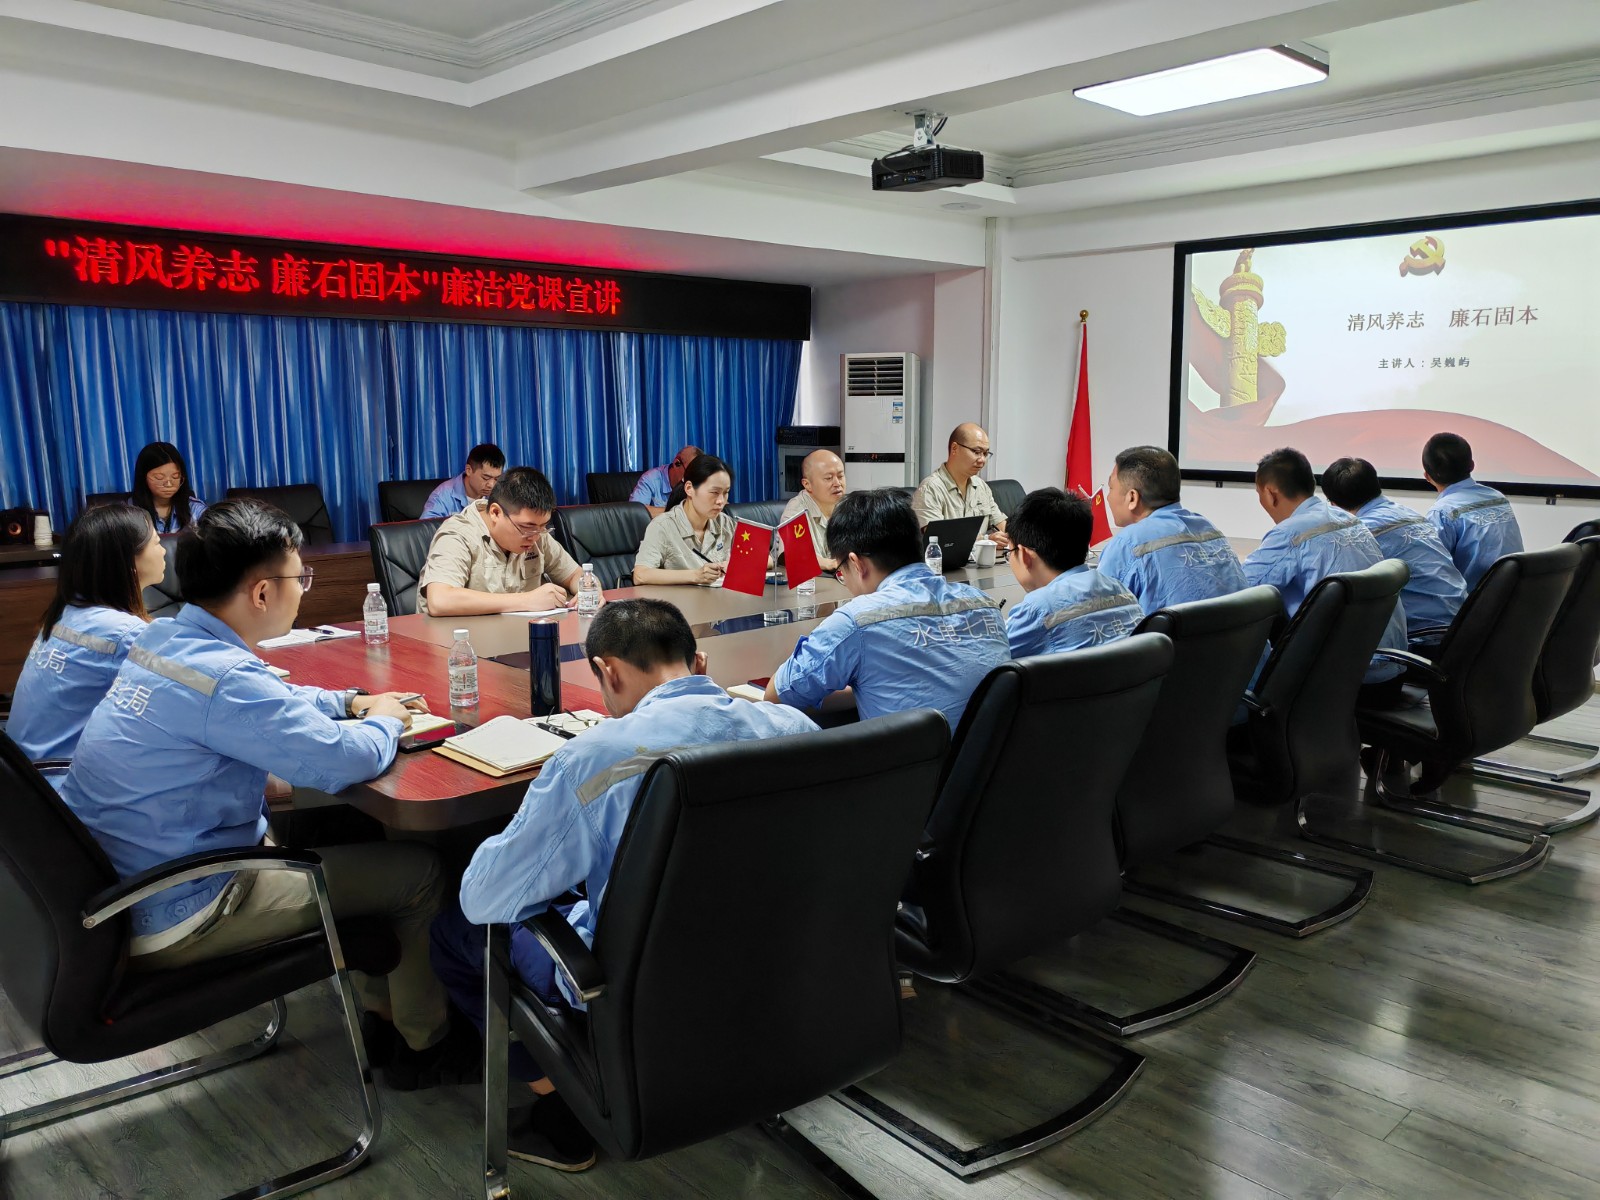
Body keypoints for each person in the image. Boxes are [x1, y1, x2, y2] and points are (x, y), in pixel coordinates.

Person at [56, 499, 477, 1090]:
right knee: (420, 876)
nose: (303, 588)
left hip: (122, 887)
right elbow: (342, 760)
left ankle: (381, 1018)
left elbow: (264, 700)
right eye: (300, 577)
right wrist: (385, 718)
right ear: (261, 593)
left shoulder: (167, 640)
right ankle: (426, 1046)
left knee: (346, 832)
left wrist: (347, 701)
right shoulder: (226, 678)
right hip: (186, 903)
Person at [432, 599, 818, 1171]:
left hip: (637, 986)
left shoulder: (594, 758)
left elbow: (484, 897)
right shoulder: (796, 728)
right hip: (777, 964)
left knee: (456, 930)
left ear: (606, 671)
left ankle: (563, 1102)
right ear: (699, 662)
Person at [765, 488, 1009, 729]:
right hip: (987, 754)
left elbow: (777, 695)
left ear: (856, 564)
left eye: (841, 571)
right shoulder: (986, 606)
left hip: (911, 755)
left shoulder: (857, 621)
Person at [1244, 449, 1409, 699]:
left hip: (1346, 682)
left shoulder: (1291, 533)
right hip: (1390, 671)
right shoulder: (1349, 519)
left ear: (1270, 493)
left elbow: (1239, 590)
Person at [8, 505, 167, 761]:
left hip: (24, 767)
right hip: (59, 775)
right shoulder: (124, 633)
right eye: (157, 543)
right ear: (130, 562)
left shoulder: (68, 611)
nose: (164, 551)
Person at [1322, 456, 1468, 646]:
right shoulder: (1411, 514)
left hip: (1426, 636)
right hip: (1462, 622)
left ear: (1333, 505)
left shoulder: (1361, 534)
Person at [1096, 445, 1249, 615]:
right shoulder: (1208, 528)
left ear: (1132, 497)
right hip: (1238, 632)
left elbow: (1099, 616)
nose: (1108, 497)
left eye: (1111, 488)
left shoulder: (1128, 543)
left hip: (1178, 633)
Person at [417, 467, 583, 617]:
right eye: (527, 528)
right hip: (456, 639)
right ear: (495, 513)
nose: (535, 537)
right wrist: (527, 600)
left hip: (514, 634)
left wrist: (587, 590)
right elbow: (440, 600)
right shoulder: (458, 534)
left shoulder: (537, 532)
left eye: (543, 526)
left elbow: (575, 575)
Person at [1006, 488, 1143, 657]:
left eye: (1009, 552)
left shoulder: (1037, 610)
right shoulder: (1119, 588)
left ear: (1025, 555)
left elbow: (992, 657)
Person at [1422, 432, 1525, 589]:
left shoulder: (1442, 512)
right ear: (1472, 465)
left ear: (1427, 476)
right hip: (1514, 595)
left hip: (1475, 600)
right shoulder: (1498, 498)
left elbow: (1432, 571)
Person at [633, 454, 738, 586]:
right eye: (714, 493)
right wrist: (696, 575)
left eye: (726, 492)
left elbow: (760, 562)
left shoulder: (726, 523)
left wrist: (736, 566)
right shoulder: (662, 526)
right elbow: (640, 575)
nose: (721, 501)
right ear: (689, 489)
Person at [910, 423, 1011, 549]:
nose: (982, 460)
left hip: (982, 560)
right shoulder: (930, 489)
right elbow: (939, 539)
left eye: (985, 454)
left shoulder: (980, 486)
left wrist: (1008, 536)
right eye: (977, 452)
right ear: (954, 448)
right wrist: (986, 541)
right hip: (946, 561)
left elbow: (1001, 525)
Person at [778, 449, 846, 569]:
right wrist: (831, 564)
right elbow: (793, 555)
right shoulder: (796, 510)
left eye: (840, 476)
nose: (837, 483)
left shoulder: (848, 506)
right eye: (828, 478)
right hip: (812, 578)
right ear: (807, 484)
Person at [129, 441, 206, 533]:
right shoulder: (129, 512)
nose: (169, 484)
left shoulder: (195, 509)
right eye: (159, 477)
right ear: (143, 477)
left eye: (175, 476)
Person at [421, 443, 506, 520]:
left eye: (496, 479)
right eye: (486, 478)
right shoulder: (442, 497)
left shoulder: (499, 494)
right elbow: (426, 529)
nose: (491, 485)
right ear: (468, 470)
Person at [630, 445, 700, 518]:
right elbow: (634, 511)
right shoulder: (650, 479)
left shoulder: (697, 483)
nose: (692, 479)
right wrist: (677, 511)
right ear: (676, 463)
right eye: (690, 472)